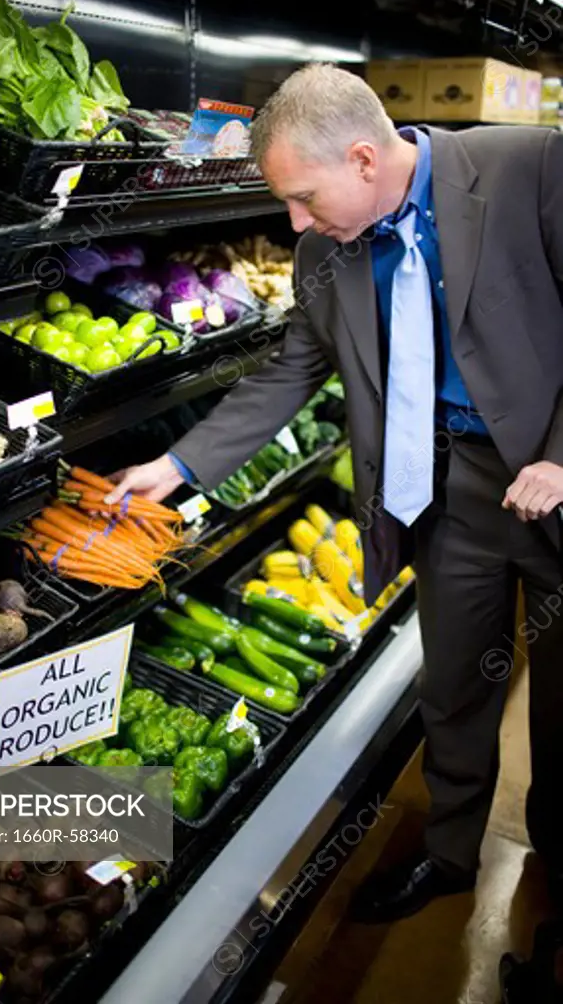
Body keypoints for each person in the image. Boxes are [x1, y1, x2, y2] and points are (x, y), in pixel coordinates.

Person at [107, 63, 563, 923]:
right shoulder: (327, 249)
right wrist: (181, 466)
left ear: (362, 159)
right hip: (450, 489)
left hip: (551, 476)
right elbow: (292, 370)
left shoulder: (531, 168)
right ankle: (449, 856)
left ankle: (549, 864)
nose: (295, 225)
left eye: (304, 198)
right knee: (456, 686)